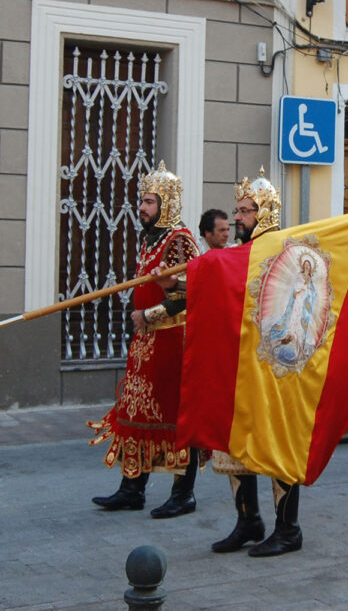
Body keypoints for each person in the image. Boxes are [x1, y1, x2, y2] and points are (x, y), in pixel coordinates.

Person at [89, 161, 201, 517]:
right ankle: (132, 488)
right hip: (146, 345)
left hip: (171, 342)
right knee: (136, 413)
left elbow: (189, 293)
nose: (142, 207)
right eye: (142, 200)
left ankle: (183, 494)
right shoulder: (152, 239)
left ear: (166, 204)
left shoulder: (180, 241)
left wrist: (149, 315)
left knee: (173, 417)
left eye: (149, 201)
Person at [210, 168, 303, 557]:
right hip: (242, 365)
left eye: (246, 210)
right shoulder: (237, 255)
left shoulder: (284, 252)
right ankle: (248, 520)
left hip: (276, 368)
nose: (238, 218)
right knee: (236, 443)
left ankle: (288, 529)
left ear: (264, 213)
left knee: (277, 445)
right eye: (237, 210)